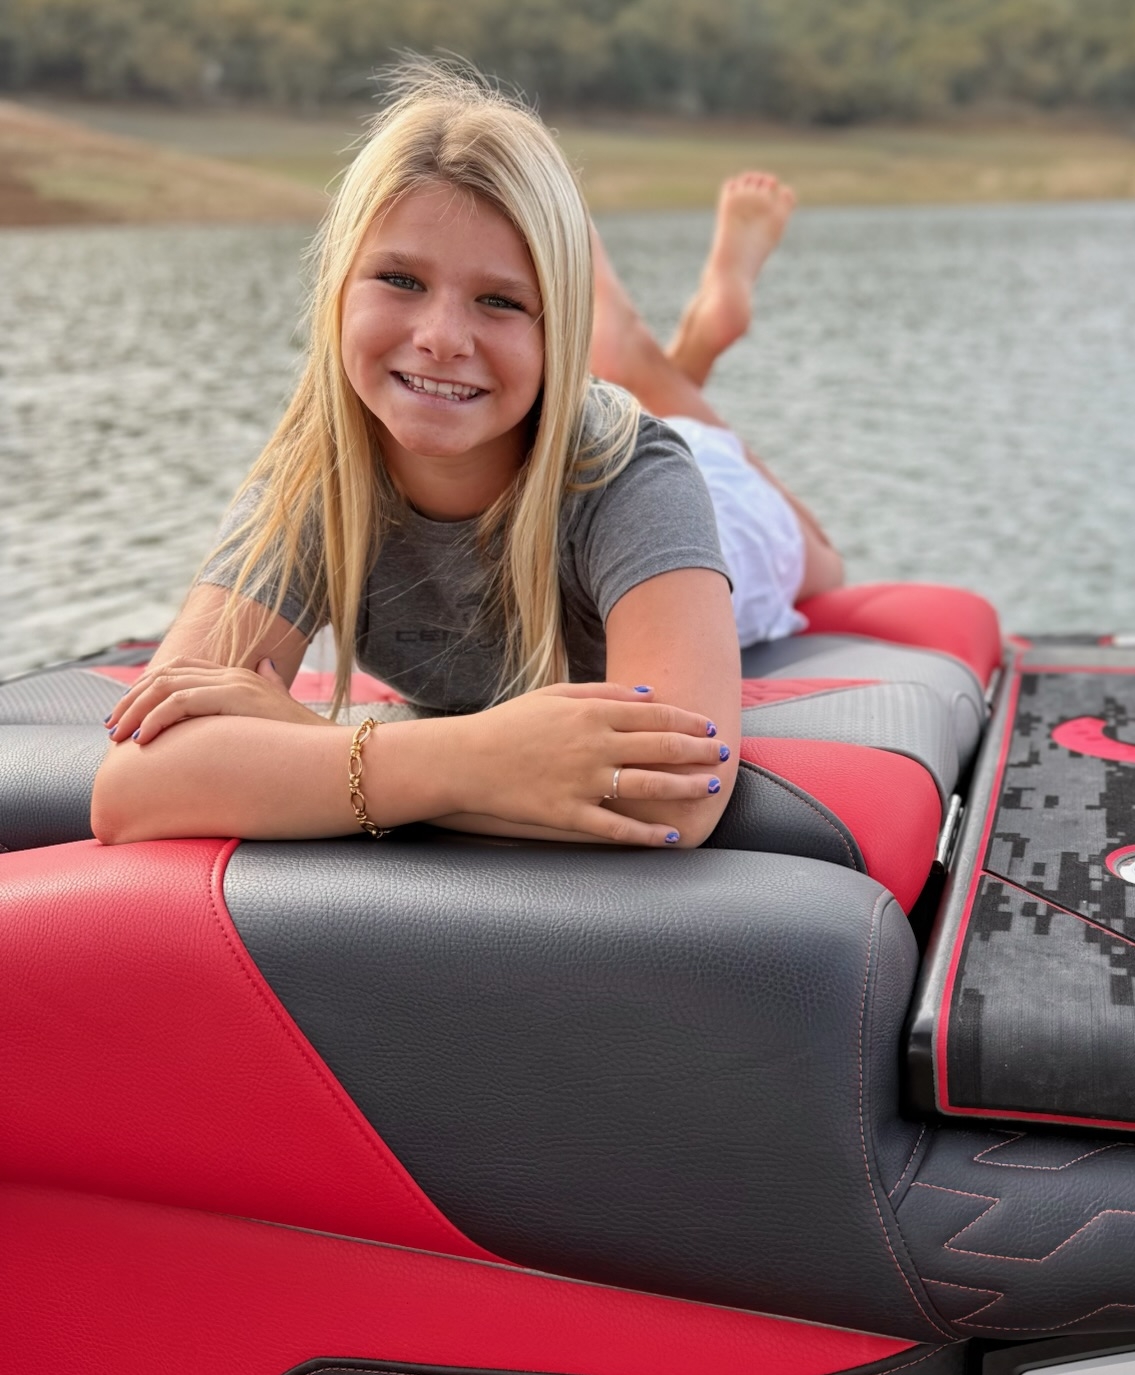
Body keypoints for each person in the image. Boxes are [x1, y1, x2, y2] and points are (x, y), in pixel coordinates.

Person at [93, 64, 749, 851]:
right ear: (339, 291)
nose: (440, 336)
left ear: (553, 329)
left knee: (795, 537)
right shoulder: (316, 478)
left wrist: (303, 741)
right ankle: (656, 344)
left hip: (730, 517)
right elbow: (134, 783)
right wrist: (479, 761)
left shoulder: (636, 481)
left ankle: (674, 339)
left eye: (500, 300)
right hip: (532, 405)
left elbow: (677, 799)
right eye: (401, 280)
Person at [586, 174, 844, 645]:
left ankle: (669, 347)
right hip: (689, 532)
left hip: (657, 527)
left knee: (815, 557)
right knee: (827, 561)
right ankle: (649, 357)